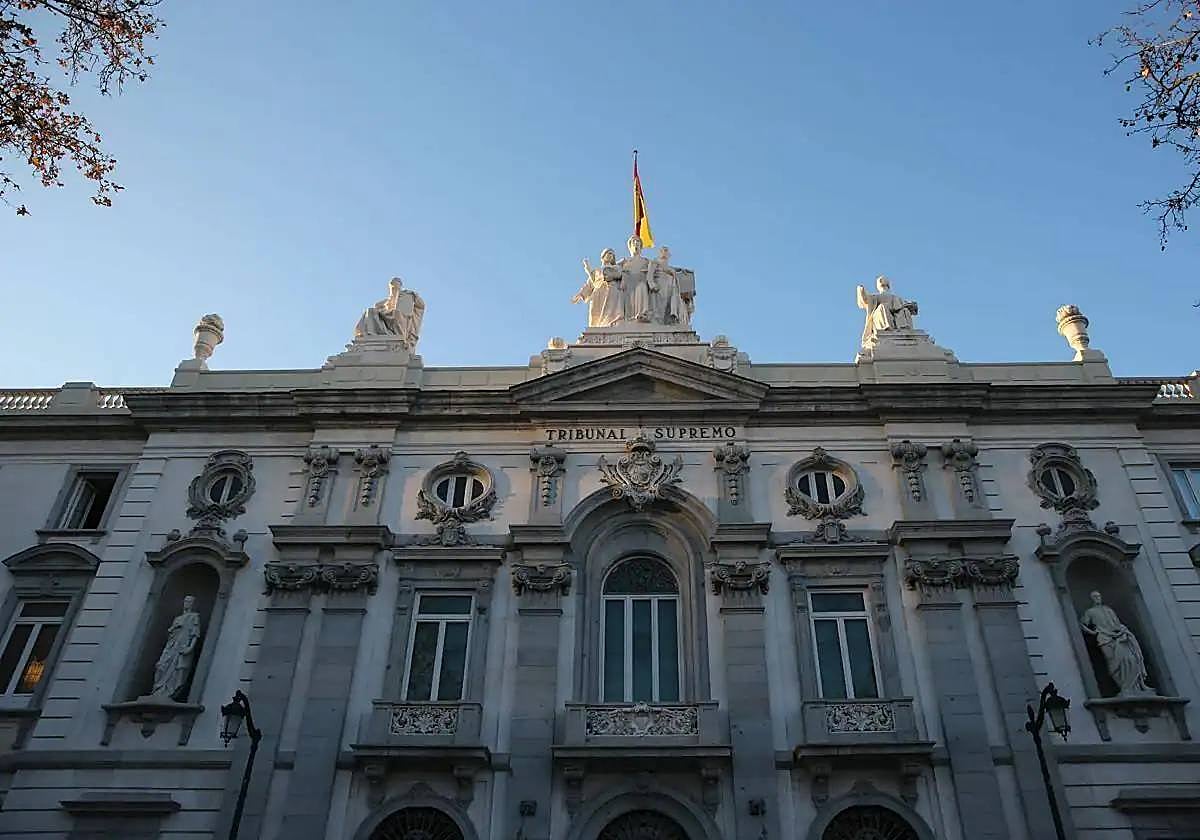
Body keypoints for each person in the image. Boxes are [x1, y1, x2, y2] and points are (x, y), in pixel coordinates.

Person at [1079, 590, 1152, 695]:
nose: (1097, 598)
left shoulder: (1109, 610)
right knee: (1113, 662)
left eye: (1099, 596)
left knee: (1131, 659)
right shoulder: (1090, 612)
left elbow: (1116, 623)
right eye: (1095, 597)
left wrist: (1122, 631)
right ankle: (1123, 686)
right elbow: (1082, 624)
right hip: (1104, 638)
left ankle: (1136, 686)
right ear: (1091, 599)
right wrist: (1093, 633)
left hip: (1118, 637)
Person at [151, 595, 202, 700]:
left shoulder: (194, 617)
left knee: (178, 671)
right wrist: (173, 629)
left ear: (193, 604)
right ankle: (158, 691)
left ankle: (170, 693)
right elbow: (171, 633)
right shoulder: (177, 618)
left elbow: (195, 634)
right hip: (171, 646)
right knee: (161, 666)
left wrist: (190, 648)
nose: (187, 603)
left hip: (182, 647)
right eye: (186, 601)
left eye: (189, 601)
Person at [856, 275, 918, 347]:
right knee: (883, 307)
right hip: (880, 316)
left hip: (896, 317)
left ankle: (904, 329)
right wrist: (861, 290)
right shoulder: (875, 297)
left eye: (883, 280)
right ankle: (886, 328)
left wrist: (911, 305)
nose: (882, 282)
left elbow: (909, 307)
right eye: (880, 281)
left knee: (904, 311)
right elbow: (865, 299)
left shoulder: (895, 297)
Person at [572, 248, 624, 327]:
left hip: (611, 290)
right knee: (595, 312)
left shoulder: (616, 267)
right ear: (603, 256)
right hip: (598, 292)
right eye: (608, 253)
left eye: (612, 254)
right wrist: (581, 294)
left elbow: (618, 275)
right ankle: (596, 327)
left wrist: (608, 274)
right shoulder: (596, 271)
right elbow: (590, 284)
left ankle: (611, 323)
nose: (610, 256)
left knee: (610, 311)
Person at [619, 235, 654, 322]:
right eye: (633, 242)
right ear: (630, 246)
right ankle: (629, 318)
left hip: (641, 282)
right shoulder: (624, 261)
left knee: (642, 287)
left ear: (641, 246)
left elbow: (656, 269)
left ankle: (643, 314)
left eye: (638, 242)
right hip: (628, 285)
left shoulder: (646, 261)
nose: (635, 244)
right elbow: (613, 269)